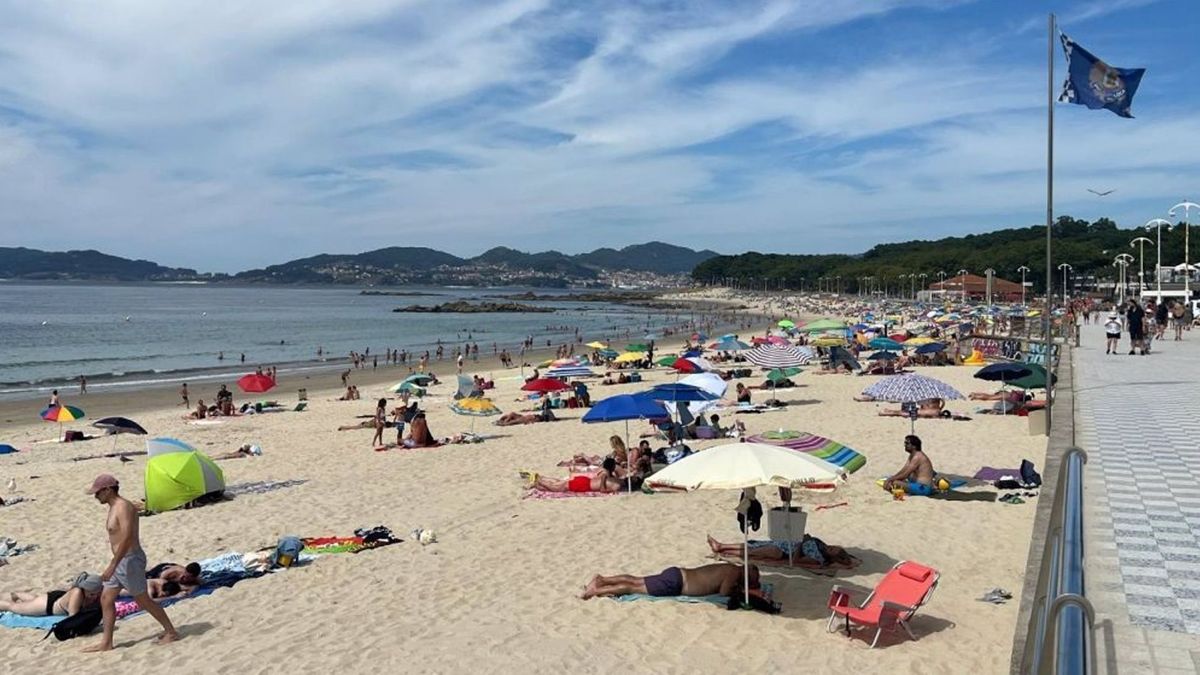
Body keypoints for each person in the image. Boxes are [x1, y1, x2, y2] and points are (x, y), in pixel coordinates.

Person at [84, 474, 179, 652]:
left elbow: (127, 537)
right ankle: (107, 642)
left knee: (142, 600)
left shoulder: (123, 507)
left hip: (129, 561)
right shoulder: (113, 507)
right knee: (106, 598)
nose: (95, 497)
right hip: (121, 561)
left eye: (97, 493)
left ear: (108, 490)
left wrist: (113, 564)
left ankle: (171, 631)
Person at [580, 562, 760, 600]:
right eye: (751, 581)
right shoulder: (735, 573)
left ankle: (602, 580)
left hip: (677, 573)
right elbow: (724, 592)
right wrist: (744, 591)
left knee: (636, 580)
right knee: (632, 588)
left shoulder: (729, 566)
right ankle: (597, 590)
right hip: (678, 584)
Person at [706, 534, 859, 567]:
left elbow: (797, 560)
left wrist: (801, 543)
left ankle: (722, 548)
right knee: (753, 545)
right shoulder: (821, 545)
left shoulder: (819, 559)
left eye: (832, 550)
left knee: (752, 551)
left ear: (833, 556)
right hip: (784, 542)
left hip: (781, 552)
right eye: (833, 546)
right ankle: (723, 548)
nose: (830, 547)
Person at [0, 572, 102, 617]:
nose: (94, 597)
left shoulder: (93, 591)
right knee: (12, 607)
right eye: (92, 594)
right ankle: (8, 599)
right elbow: (73, 616)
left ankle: (16, 594)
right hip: (47, 606)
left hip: (54, 598)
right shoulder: (78, 593)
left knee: (34, 599)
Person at [528, 458, 625, 493]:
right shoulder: (607, 476)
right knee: (557, 488)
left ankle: (538, 484)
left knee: (559, 485)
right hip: (584, 485)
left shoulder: (607, 474)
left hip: (585, 481)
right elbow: (602, 489)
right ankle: (539, 480)